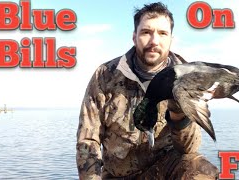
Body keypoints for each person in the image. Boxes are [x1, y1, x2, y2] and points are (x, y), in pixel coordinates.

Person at [76, 2, 218, 179]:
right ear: (134, 37)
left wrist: (179, 114)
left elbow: (188, 149)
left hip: (165, 171)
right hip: (118, 176)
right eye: (146, 32)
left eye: (162, 33)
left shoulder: (188, 78)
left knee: (201, 171)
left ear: (171, 39)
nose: (154, 41)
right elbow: (88, 141)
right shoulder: (105, 76)